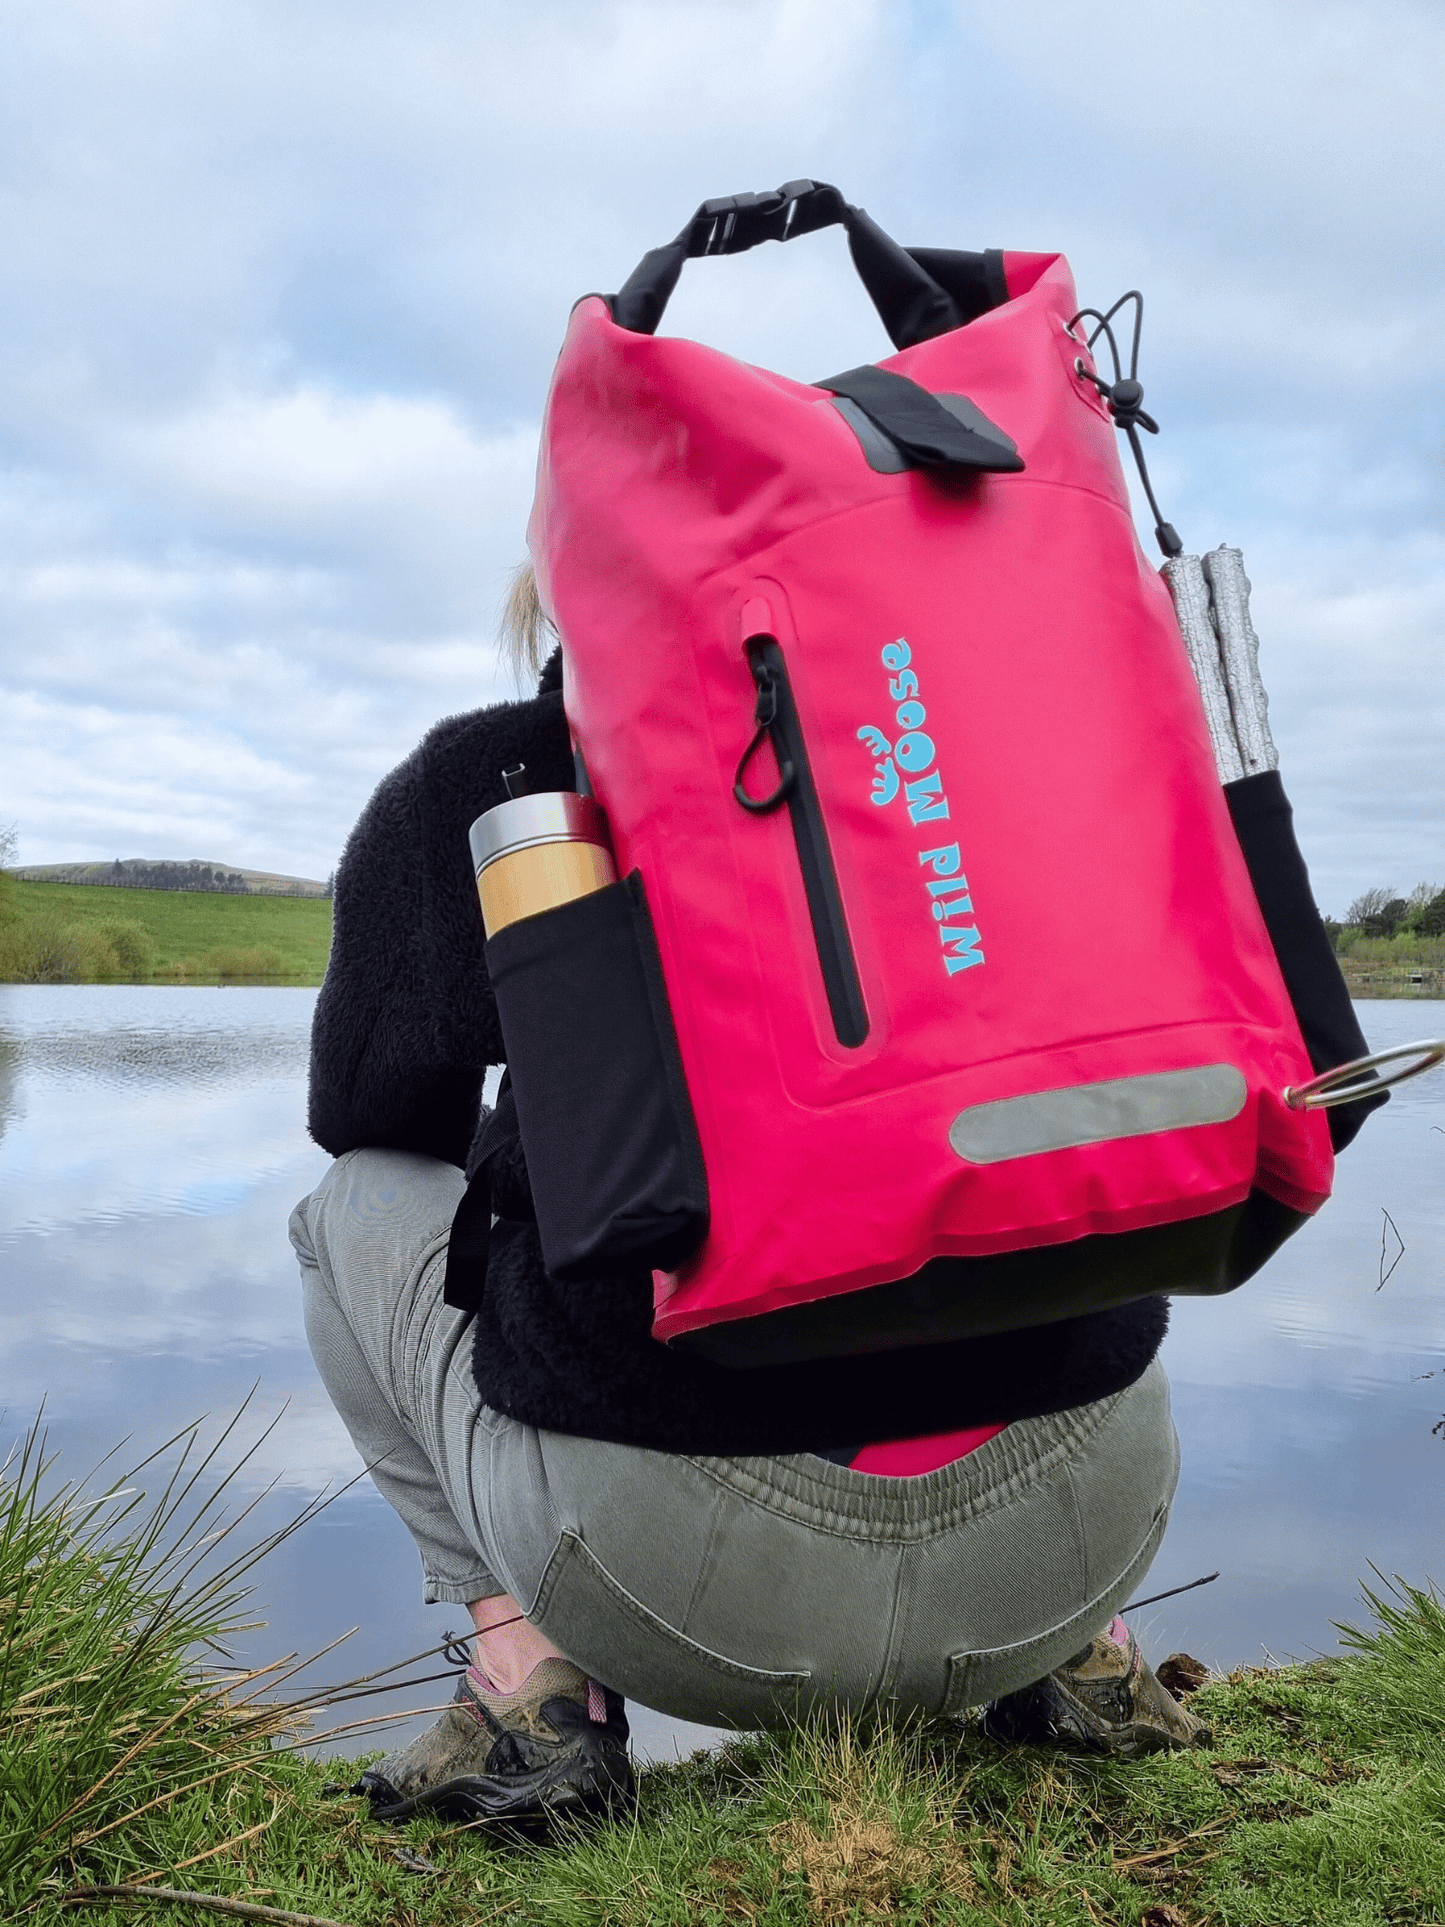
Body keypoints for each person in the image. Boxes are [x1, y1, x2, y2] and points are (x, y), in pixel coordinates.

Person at [288, 568, 1207, 1825]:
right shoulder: (1001, 737)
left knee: (349, 1203)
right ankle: (1082, 1656)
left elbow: (370, 1120)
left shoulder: (493, 776)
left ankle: (530, 1689)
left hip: (697, 1595)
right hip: (1077, 1527)